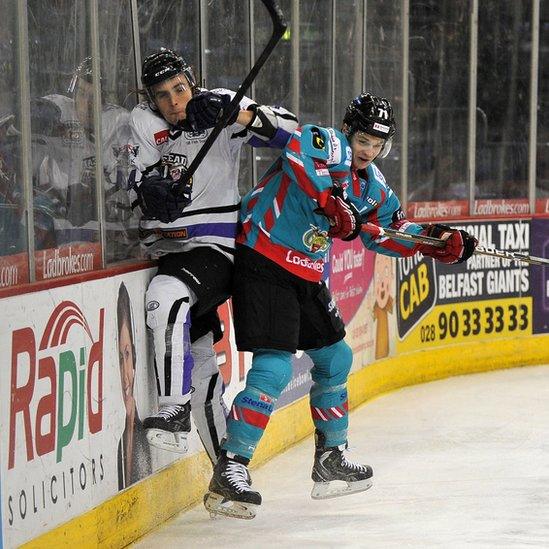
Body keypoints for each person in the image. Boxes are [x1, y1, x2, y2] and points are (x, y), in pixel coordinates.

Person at [204, 92, 478, 519]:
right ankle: (231, 467)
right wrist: (331, 201)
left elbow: (389, 231)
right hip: (264, 259)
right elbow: (298, 160)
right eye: (364, 139)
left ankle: (331, 459)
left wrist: (435, 242)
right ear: (349, 130)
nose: (368, 151)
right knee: (274, 367)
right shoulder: (324, 142)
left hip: (308, 273)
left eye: (378, 145)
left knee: (335, 357)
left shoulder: (374, 186)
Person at [127, 47, 298, 464]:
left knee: (166, 295)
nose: (174, 101)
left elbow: (291, 132)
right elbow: (136, 185)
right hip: (167, 251)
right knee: (202, 367)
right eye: (162, 94)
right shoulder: (144, 124)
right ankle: (229, 474)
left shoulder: (220, 103)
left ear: (193, 80)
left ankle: (173, 410)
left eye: (180, 89)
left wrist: (232, 112)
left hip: (214, 249)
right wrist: (150, 192)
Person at [116, 282, 152, 489]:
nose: (125, 373)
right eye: (120, 357)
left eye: (127, 354)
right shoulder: (121, 441)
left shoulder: (142, 433)